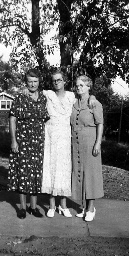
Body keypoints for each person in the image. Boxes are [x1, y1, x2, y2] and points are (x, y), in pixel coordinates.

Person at [7, 68, 50, 219]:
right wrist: (13, 141)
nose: (32, 84)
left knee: (36, 174)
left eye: (35, 81)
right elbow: (12, 119)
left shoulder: (44, 98)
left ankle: (34, 207)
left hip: (38, 142)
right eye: (30, 81)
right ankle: (22, 208)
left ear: (39, 82)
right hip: (23, 141)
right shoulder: (19, 97)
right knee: (23, 173)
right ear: (26, 82)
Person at [41, 70, 76, 218]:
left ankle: (63, 206)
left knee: (63, 171)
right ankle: (51, 205)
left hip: (65, 139)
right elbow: (33, 91)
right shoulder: (48, 94)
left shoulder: (71, 96)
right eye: (54, 80)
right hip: (50, 138)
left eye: (59, 80)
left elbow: (86, 98)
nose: (56, 82)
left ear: (64, 81)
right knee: (51, 169)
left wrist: (92, 96)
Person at [71, 75, 104, 222]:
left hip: (90, 140)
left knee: (90, 174)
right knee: (80, 173)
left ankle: (91, 208)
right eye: (77, 85)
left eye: (82, 85)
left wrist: (98, 143)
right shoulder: (74, 102)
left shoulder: (95, 103)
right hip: (76, 142)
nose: (79, 88)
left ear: (88, 87)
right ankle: (84, 206)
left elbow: (100, 124)